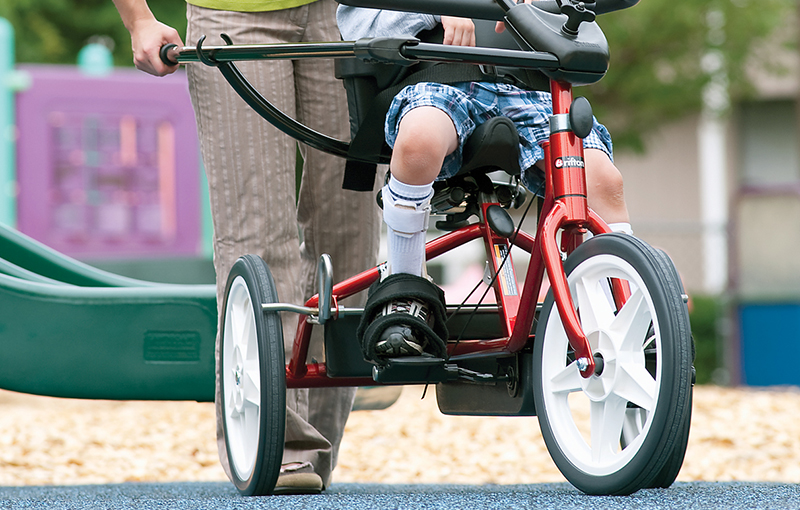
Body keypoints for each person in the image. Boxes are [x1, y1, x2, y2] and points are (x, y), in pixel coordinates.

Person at [112, 0, 382, 495]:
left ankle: (317, 448)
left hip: (348, 15)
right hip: (236, 16)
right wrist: (139, 19)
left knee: (353, 237)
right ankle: (279, 448)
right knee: (258, 232)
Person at [337, 5, 632, 361]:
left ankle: (625, 309)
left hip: (526, 86)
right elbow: (355, 23)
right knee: (419, 143)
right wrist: (437, 9)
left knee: (602, 180)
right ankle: (404, 288)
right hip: (439, 77)